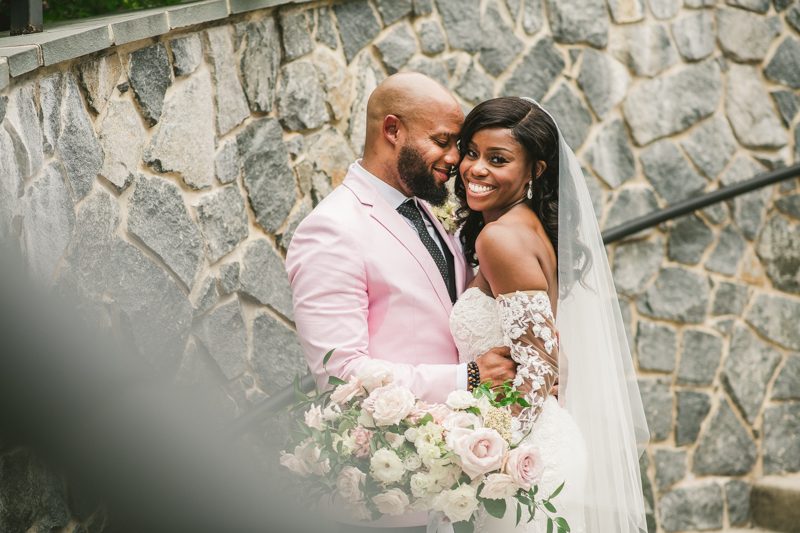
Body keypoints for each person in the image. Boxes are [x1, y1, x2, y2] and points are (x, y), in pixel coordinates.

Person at [285, 73, 516, 531]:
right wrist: (468, 376)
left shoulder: (427, 207)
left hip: (455, 476)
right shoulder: (332, 229)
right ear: (393, 130)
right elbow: (340, 376)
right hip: (394, 501)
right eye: (443, 142)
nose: (456, 161)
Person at [448, 97, 649, 533]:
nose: (475, 169)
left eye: (497, 159)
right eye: (471, 152)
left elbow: (541, 362)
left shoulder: (500, 238)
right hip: (535, 445)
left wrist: (490, 451)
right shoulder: (526, 224)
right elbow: (546, 350)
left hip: (522, 463)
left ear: (535, 170)